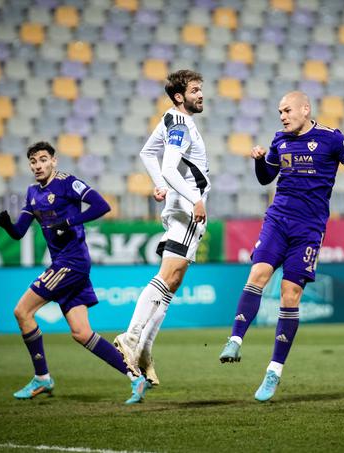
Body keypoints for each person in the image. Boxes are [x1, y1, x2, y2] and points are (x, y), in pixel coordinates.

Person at [218, 91, 344, 401]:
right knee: (258, 275)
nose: (282, 116)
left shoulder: (332, 138)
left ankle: (273, 371)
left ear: (305, 109)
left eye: (287, 110)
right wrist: (259, 161)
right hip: (277, 220)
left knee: (290, 296)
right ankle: (235, 340)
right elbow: (267, 178)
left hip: (309, 229)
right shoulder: (280, 139)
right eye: (279, 112)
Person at [0, 141, 148, 404]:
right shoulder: (32, 193)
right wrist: (7, 226)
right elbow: (20, 233)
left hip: (71, 262)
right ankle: (136, 377)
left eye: (43, 159)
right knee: (81, 333)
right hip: (66, 264)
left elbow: (101, 205)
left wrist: (68, 222)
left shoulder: (67, 183)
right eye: (33, 161)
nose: (37, 165)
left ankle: (42, 378)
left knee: (22, 312)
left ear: (54, 161)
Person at [113, 69, 209, 390]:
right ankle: (131, 337)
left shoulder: (171, 119)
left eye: (200, 89)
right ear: (180, 96)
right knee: (167, 278)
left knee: (173, 282)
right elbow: (169, 166)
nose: (201, 94)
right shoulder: (180, 124)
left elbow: (147, 153)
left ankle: (144, 352)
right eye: (195, 90)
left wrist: (159, 185)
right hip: (186, 210)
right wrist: (194, 198)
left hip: (181, 207)